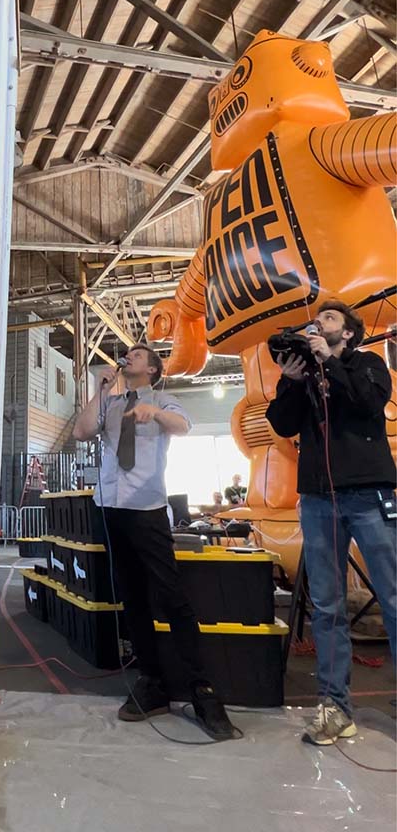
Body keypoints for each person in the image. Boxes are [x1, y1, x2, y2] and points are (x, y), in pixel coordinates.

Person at [73, 344, 238, 741]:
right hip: (112, 509)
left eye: (138, 355)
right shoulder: (110, 405)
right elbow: (80, 431)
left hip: (147, 510)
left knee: (172, 599)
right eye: (126, 353)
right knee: (132, 599)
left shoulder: (165, 400)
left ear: (152, 369)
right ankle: (153, 684)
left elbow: (184, 427)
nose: (129, 357)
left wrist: (155, 413)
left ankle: (203, 692)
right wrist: (102, 389)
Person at [266, 300, 396, 745]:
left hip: (369, 495)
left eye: (329, 319)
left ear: (349, 333)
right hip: (319, 501)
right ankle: (335, 708)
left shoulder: (368, 365)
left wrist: (331, 362)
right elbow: (281, 426)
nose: (319, 324)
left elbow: (368, 403)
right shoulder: (306, 375)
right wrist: (290, 380)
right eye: (317, 319)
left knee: (394, 597)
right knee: (327, 606)